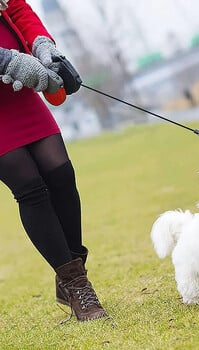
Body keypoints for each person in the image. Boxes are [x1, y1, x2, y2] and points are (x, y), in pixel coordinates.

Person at [0, 0, 107, 321]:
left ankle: (72, 274)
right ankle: (78, 287)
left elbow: (17, 8)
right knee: (30, 187)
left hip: (20, 87)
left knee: (60, 173)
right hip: (13, 69)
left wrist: (42, 46)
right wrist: (5, 58)